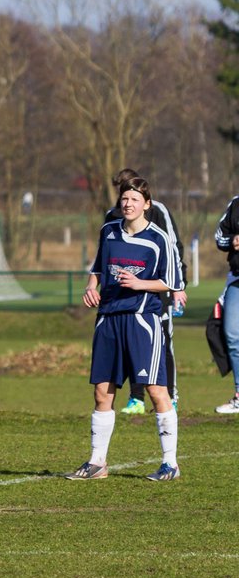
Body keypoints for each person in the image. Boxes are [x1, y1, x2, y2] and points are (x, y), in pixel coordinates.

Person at [67, 176, 184, 482]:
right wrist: (91, 288)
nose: (128, 204)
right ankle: (97, 463)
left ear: (147, 204)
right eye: (125, 199)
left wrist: (139, 283)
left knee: (156, 391)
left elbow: (171, 282)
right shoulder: (108, 231)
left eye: (135, 199)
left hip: (142, 320)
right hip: (108, 318)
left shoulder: (158, 238)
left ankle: (170, 463)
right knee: (102, 391)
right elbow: (97, 269)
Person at [98, 168, 185, 415]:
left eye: (132, 195)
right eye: (122, 195)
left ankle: (170, 395)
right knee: (128, 348)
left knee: (162, 342)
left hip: (154, 293)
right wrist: (95, 286)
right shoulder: (112, 217)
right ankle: (136, 398)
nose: (126, 201)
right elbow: (104, 257)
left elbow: (174, 248)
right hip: (119, 302)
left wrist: (179, 285)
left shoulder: (159, 212)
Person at [214, 191, 239, 414]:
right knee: (232, 336)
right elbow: (219, 237)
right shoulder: (236, 204)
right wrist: (233, 240)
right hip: (237, 279)